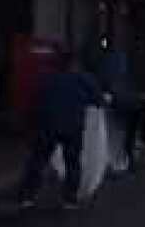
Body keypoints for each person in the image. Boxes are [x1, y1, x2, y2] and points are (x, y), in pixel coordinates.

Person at [17, 50, 104, 210]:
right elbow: (98, 100)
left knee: (38, 160)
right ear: (75, 64)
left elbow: (35, 101)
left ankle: (27, 196)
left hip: (48, 125)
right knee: (72, 162)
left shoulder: (46, 78)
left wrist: (31, 123)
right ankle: (69, 199)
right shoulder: (83, 79)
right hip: (73, 126)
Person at [98, 45, 145, 171]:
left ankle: (131, 162)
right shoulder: (141, 70)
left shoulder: (128, 72)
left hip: (138, 105)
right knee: (142, 135)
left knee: (133, 136)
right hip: (142, 104)